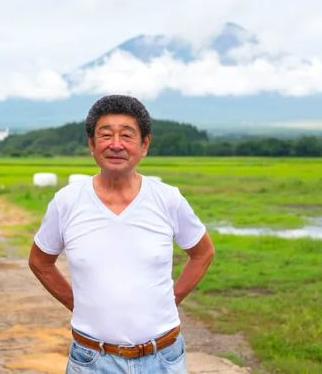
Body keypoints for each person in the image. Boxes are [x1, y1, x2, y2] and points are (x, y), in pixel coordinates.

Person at [29, 95, 215, 373]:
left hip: (163, 358)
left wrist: (171, 298)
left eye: (127, 135)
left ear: (144, 145)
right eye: (105, 135)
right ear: (92, 144)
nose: (116, 144)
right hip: (91, 360)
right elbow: (40, 261)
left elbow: (203, 253)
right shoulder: (67, 202)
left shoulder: (168, 199)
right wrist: (77, 304)